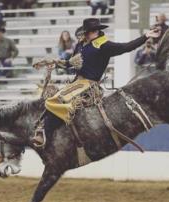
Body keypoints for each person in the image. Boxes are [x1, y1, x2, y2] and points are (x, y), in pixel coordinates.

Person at [32, 18, 161, 147]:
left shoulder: (104, 45)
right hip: (76, 82)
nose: (85, 35)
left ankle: (46, 134)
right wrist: (54, 64)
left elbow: (126, 47)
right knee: (52, 99)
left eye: (87, 32)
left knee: (56, 99)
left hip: (88, 84)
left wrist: (146, 36)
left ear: (93, 32)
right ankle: (41, 127)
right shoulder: (82, 44)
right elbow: (70, 63)